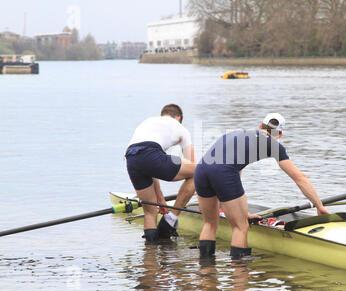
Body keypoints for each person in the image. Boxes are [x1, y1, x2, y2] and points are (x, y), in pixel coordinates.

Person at [194, 113, 331, 259]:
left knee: (209, 223)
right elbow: (300, 178)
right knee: (241, 227)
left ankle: (206, 271)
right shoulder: (274, 145)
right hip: (223, 173)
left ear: (260, 126)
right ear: (280, 134)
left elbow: (230, 168)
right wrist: (319, 206)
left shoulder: (236, 134)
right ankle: (239, 274)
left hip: (201, 171)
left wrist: (241, 211)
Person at [125, 104, 196, 244]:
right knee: (200, 172)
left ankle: (150, 255)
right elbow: (192, 165)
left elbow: (150, 168)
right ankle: (171, 219)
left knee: (150, 212)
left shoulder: (147, 122)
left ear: (163, 114)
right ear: (178, 118)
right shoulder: (180, 127)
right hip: (151, 154)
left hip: (131, 158)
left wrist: (161, 199)